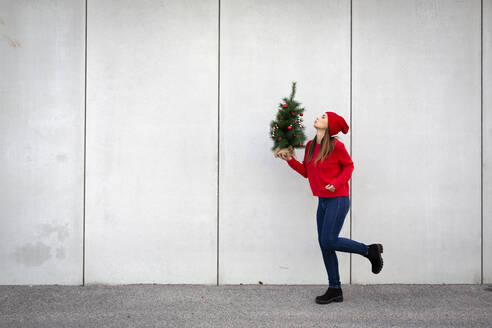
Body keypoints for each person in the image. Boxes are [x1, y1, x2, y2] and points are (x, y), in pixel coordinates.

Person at [279, 111, 384, 305]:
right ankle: (335, 289)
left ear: (330, 126)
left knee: (328, 240)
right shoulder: (311, 146)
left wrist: (336, 182)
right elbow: (306, 172)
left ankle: (369, 250)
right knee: (325, 244)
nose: (318, 118)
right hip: (323, 201)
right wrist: (290, 160)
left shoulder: (336, 146)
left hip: (338, 199)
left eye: (324, 117)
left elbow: (349, 167)